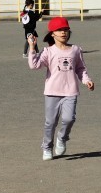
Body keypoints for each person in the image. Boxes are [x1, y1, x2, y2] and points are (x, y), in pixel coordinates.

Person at [26, 16, 95, 161]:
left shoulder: (75, 50)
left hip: (70, 91)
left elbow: (81, 68)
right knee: (50, 122)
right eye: (59, 30)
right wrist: (32, 48)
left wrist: (86, 80)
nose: (63, 32)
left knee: (69, 119)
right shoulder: (48, 51)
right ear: (52, 34)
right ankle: (47, 147)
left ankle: (62, 138)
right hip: (52, 92)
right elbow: (34, 65)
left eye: (65, 30)